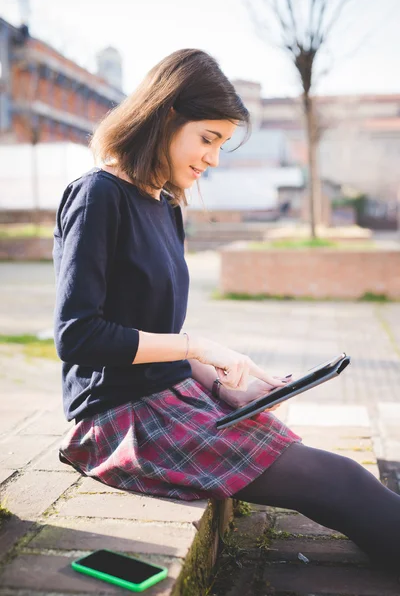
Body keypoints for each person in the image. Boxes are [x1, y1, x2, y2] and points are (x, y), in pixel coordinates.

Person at [54, 49, 400, 573]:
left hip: (169, 397)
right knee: (342, 480)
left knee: (340, 479)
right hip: (119, 419)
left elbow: (152, 333)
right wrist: (199, 348)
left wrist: (223, 386)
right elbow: (80, 337)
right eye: (208, 139)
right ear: (165, 117)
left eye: (220, 144)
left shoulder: (166, 206)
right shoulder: (97, 196)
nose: (213, 159)